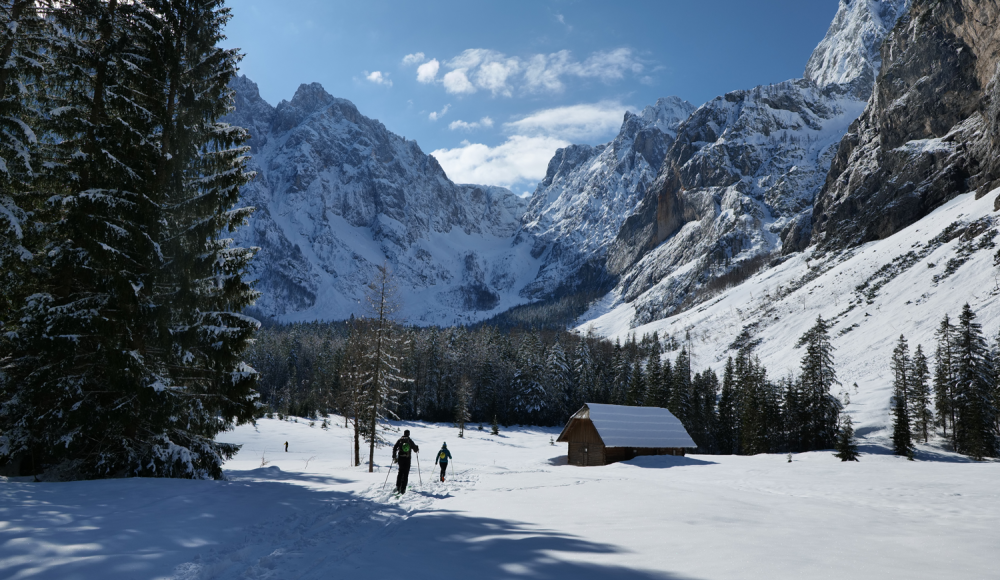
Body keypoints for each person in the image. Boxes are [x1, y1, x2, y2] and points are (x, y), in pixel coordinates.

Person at [392, 429, 419, 494]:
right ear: (409, 434)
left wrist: (394, 455)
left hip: (400, 458)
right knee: (406, 473)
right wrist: (417, 448)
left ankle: (398, 486)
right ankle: (403, 488)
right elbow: (415, 450)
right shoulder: (409, 440)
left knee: (400, 472)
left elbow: (395, 447)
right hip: (407, 459)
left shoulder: (400, 440)